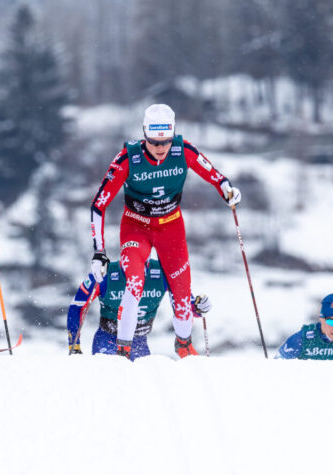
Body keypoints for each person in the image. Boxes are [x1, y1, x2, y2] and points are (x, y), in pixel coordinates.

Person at [89, 103, 240, 359]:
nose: (160, 148)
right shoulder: (128, 158)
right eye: (154, 142)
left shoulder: (183, 151)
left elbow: (216, 176)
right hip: (136, 226)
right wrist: (99, 252)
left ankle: (183, 344)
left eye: (166, 142)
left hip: (170, 227)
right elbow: (98, 205)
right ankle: (123, 349)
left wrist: (228, 190)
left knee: (181, 290)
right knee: (135, 280)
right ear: (144, 135)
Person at [66, 256, 212, 360]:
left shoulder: (161, 273)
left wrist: (198, 307)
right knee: (109, 383)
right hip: (108, 339)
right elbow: (76, 307)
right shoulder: (107, 274)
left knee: (140, 392)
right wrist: (75, 345)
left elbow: (185, 303)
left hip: (138, 342)